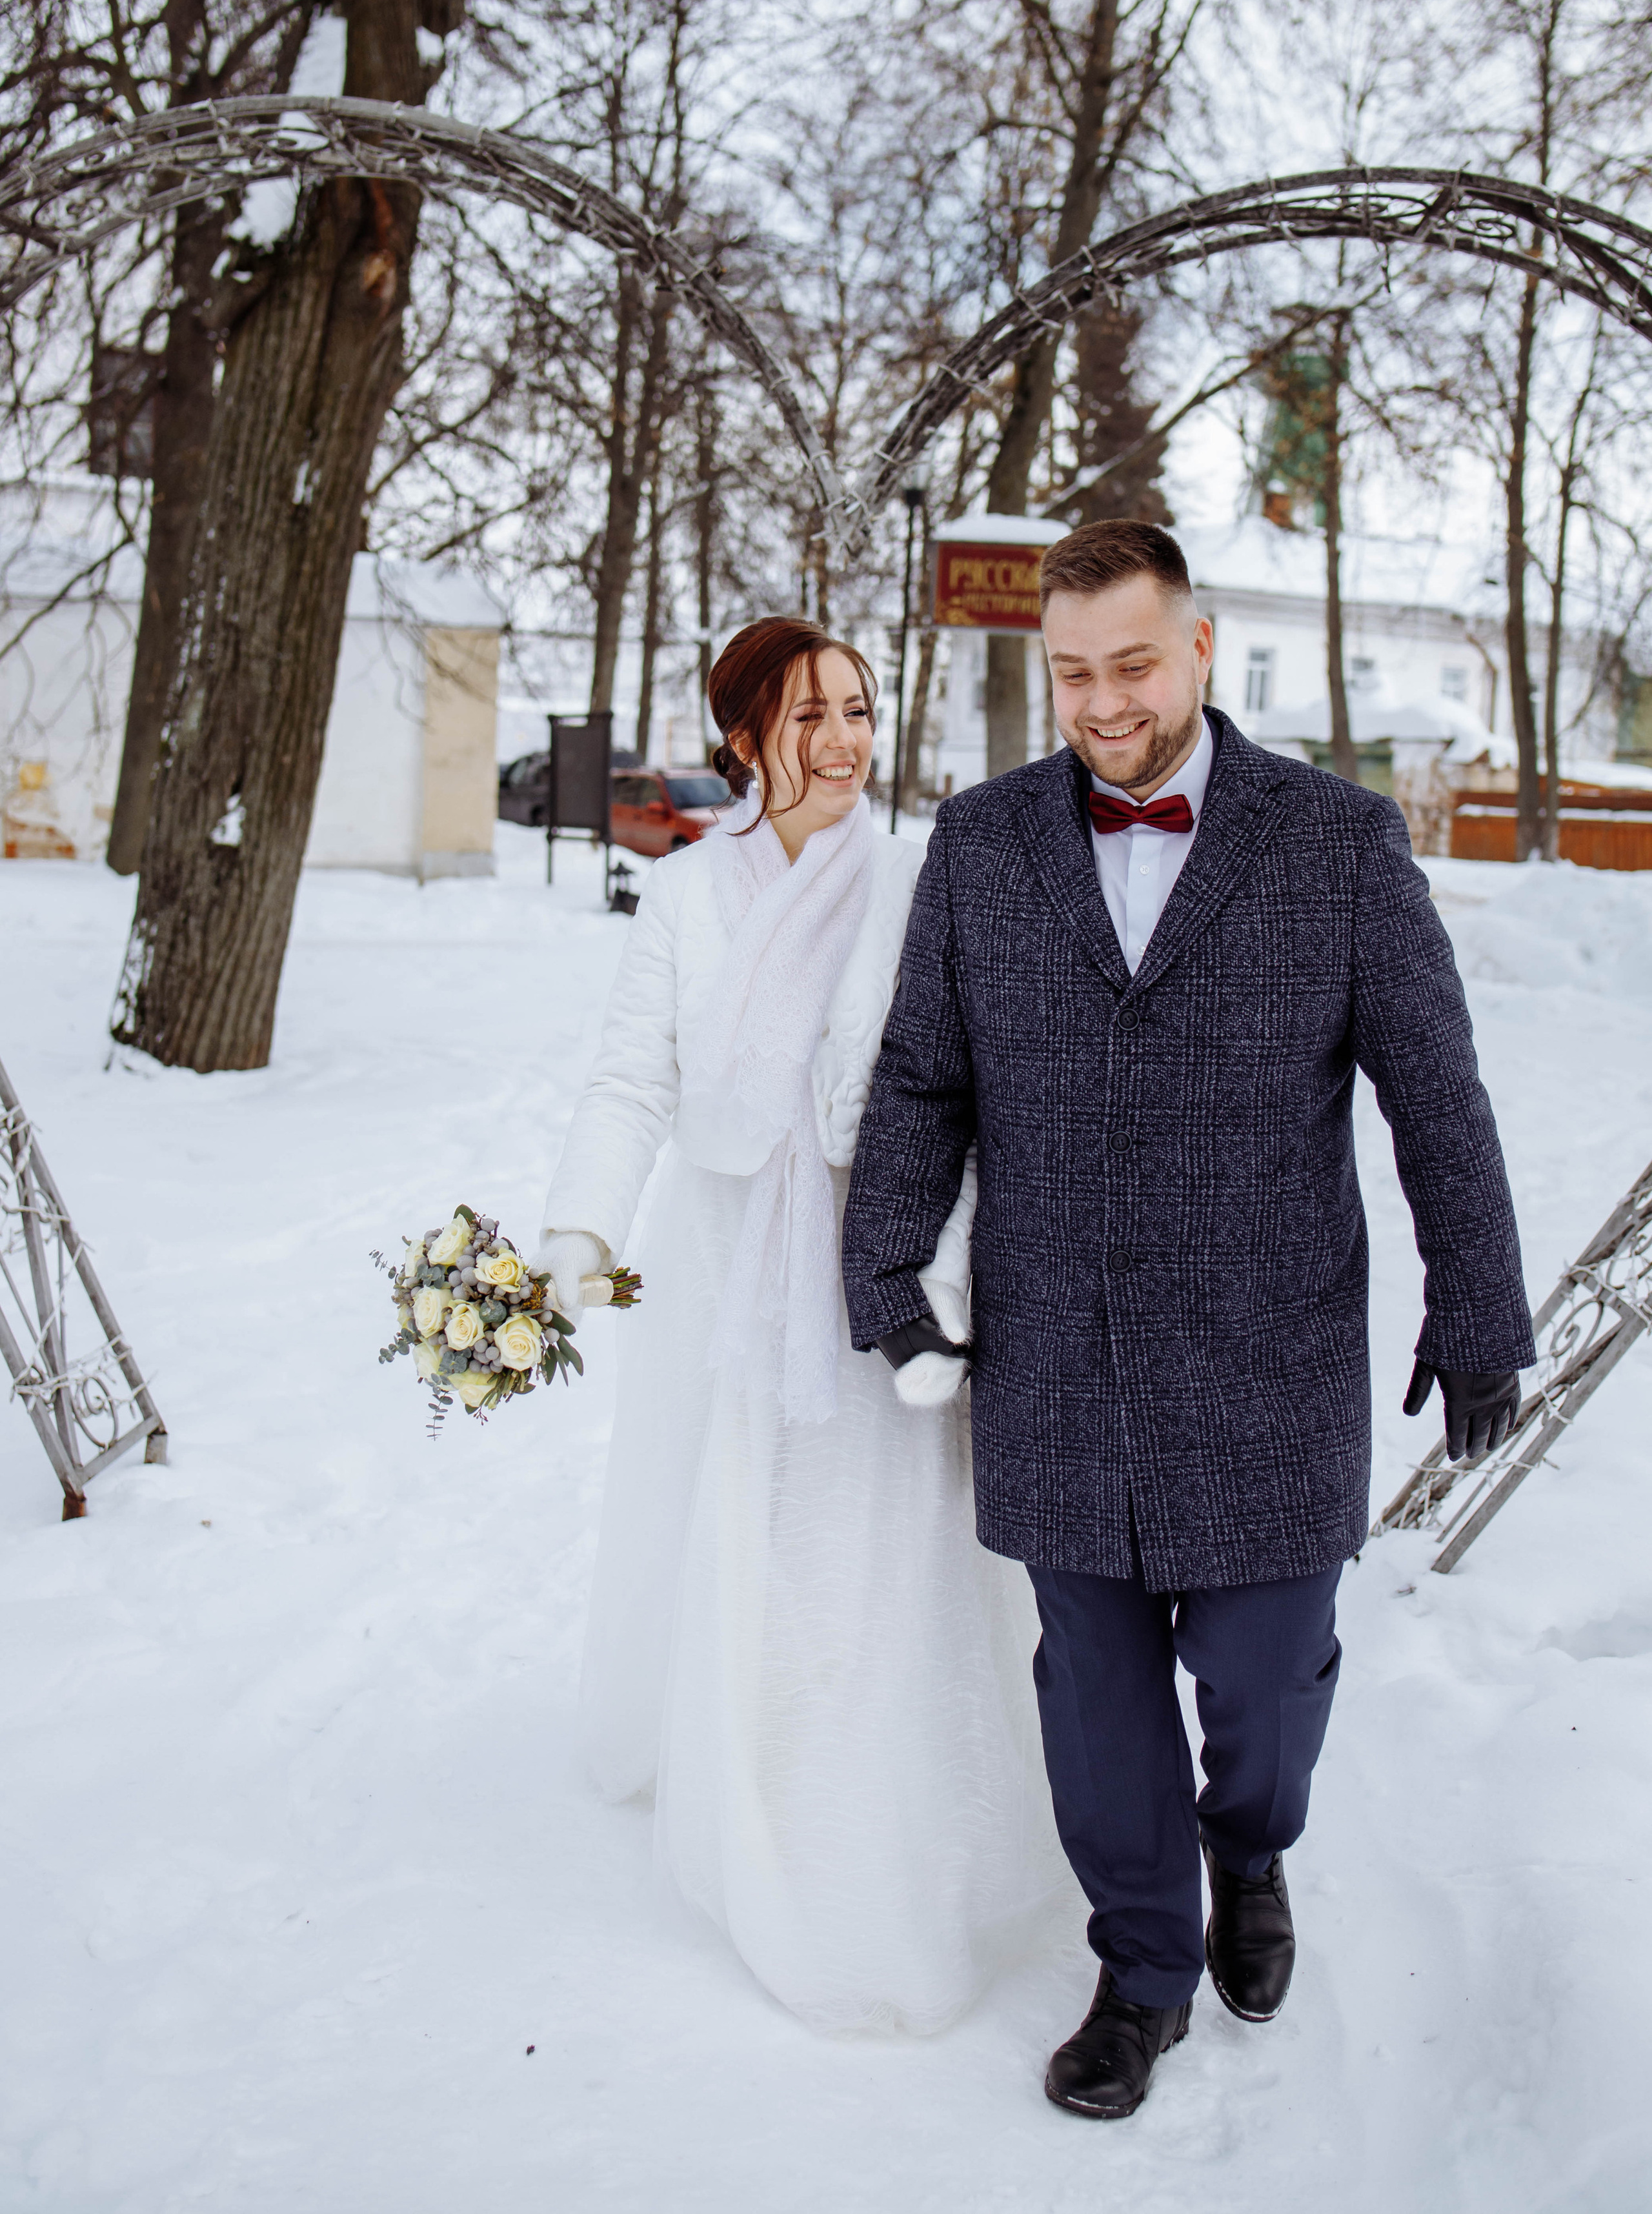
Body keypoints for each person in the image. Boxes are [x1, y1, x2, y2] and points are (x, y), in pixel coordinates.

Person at [842, 519, 1534, 2117]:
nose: (1101, 702)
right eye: (1071, 672)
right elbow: (925, 1078)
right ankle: (1141, 1968)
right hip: (1054, 1366)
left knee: (1264, 1678)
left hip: (1270, 1364)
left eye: (1131, 664)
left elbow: (1433, 1094)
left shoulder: (1338, 845)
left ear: (1200, 645)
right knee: (1091, 1696)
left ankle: (1253, 1846)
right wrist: (885, 1275)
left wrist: (1478, 1308)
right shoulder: (983, 842)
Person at [539, 616, 1063, 2033]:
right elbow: (630, 1079)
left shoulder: (911, 883)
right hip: (722, 1264)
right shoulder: (686, 897)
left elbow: (968, 1102)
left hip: (872, 1270)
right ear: (740, 740)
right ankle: (744, 1772)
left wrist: (945, 1274)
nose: (842, 740)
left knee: (875, 1551)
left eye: (856, 708)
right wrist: (580, 1225)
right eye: (808, 715)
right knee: (740, 1527)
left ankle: (873, 1817)